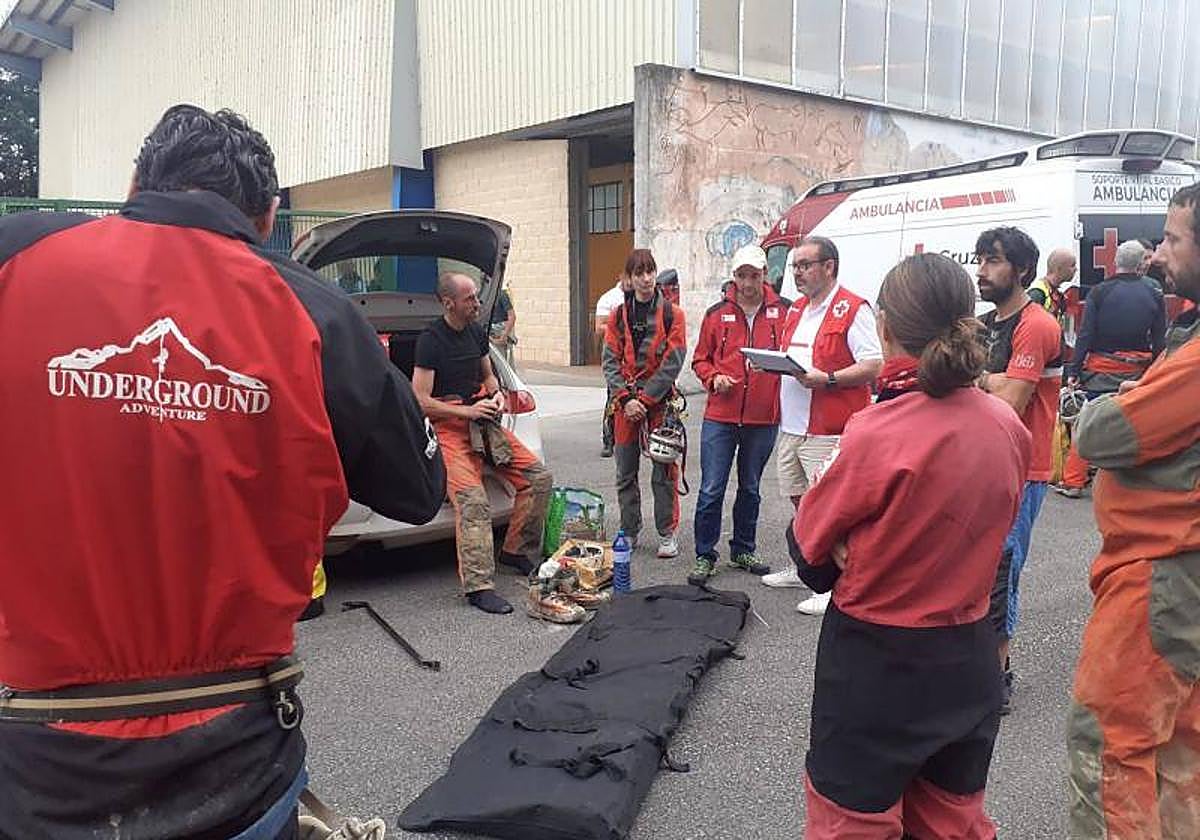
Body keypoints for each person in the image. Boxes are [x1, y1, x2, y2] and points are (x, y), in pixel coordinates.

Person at [0, 104, 446, 837]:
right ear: (268, 218)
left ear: (137, 182)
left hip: (39, 754)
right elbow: (417, 489)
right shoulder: (321, 317)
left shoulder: (16, 256)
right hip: (236, 752)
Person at [790, 253, 1030, 839]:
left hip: (878, 665)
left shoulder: (877, 430)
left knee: (853, 826)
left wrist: (850, 543)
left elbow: (810, 554)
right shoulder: (1006, 426)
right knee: (953, 823)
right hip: (967, 657)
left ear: (889, 331)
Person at [1065, 183, 1200, 840]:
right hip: (1182, 580)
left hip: (1160, 576)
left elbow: (1101, 437)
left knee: (1109, 750)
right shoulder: (1181, 334)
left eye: (1174, 239)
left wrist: (1104, 406)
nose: (1162, 254)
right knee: (1178, 750)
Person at [412, 272, 553, 615]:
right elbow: (420, 400)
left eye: (476, 296)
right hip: (449, 429)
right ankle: (479, 587)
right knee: (473, 501)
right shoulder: (430, 340)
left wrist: (496, 395)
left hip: (484, 423)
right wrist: (466, 411)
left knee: (538, 479)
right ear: (449, 304)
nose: (477, 303)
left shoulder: (476, 333)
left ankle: (517, 550)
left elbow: (488, 374)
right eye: (470, 299)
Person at [760, 236, 882, 616]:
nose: (796, 272)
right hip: (792, 426)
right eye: (794, 266)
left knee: (831, 508)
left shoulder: (851, 308)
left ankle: (835, 584)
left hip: (828, 427)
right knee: (800, 501)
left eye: (804, 265)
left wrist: (827, 378)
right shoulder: (797, 308)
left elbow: (873, 363)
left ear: (829, 267)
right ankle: (807, 565)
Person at [975, 226, 1063, 714]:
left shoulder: (1036, 324)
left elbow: (1011, 399)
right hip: (986, 464)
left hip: (1023, 469)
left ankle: (999, 675)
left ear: (1023, 270)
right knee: (980, 568)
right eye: (980, 260)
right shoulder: (986, 322)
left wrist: (981, 376)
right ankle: (979, 667)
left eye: (993, 261)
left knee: (1001, 574)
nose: (982, 270)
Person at [688, 244, 783, 585]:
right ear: (733, 277)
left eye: (754, 275)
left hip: (763, 417)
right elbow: (700, 359)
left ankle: (743, 548)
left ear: (764, 275)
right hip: (721, 416)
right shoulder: (716, 314)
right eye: (741, 276)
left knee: (751, 488)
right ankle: (704, 555)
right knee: (712, 488)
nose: (747, 283)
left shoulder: (784, 312)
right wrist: (714, 378)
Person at [1056, 239, 1166, 499]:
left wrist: (1073, 370)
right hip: (1138, 370)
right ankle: (1138, 483)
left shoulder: (1099, 292)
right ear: (1141, 264)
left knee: (1088, 422)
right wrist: (1158, 370)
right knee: (1137, 422)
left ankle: (1073, 481)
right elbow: (1160, 338)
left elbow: (1085, 334)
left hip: (1099, 369)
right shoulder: (1154, 291)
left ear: (1115, 262)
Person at [602, 248, 687, 558]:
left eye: (650, 271)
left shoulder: (672, 314)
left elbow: (674, 359)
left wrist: (646, 398)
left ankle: (666, 533)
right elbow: (610, 360)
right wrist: (626, 399)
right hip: (626, 404)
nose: (646, 278)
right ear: (629, 278)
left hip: (660, 402)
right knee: (625, 472)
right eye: (639, 273)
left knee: (663, 471)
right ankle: (629, 529)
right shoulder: (617, 315)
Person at [595, 273, 632, 458]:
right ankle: (608, 440)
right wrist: (619, 327)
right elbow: (599, 327)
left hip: (634, 359)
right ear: (622, 277)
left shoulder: (641, 297)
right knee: (613, 397)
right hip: (616, 355)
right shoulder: (609, 298)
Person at [1027, 247, 1077, 323]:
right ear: (1059, 268)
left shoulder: (1056, 294)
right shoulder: (1037, 294)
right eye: (1072, 265)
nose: (1075, 269)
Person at [489, 284, 517, 365]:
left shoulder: (501, 294)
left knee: (502, 366)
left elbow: (512, 316)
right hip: (490, 336)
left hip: (499, 336)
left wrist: (503, 336)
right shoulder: (485, 296)